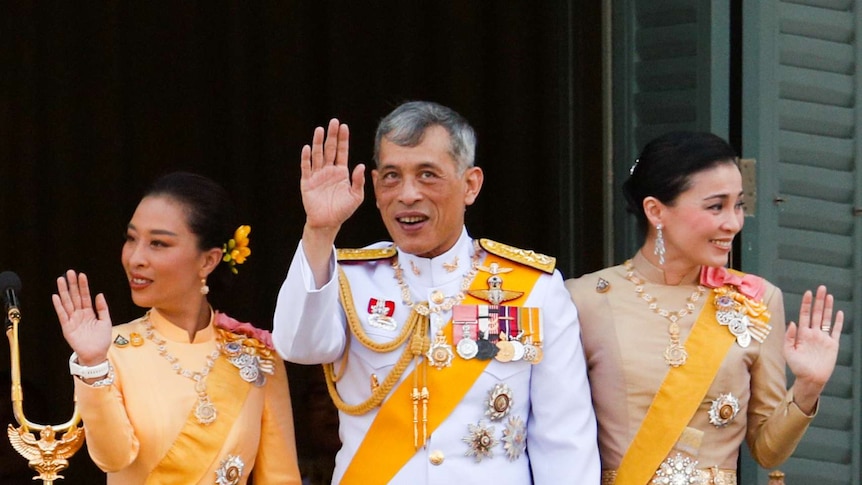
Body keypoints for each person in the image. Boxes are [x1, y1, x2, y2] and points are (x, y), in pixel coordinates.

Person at [272, 101, 600, 484]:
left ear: (471, 185)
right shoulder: (347, 278)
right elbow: (298, 346)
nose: (408, 194)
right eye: (392, 177)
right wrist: (319, 231)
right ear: (375, 188)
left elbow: (564, 441)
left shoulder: (532, 288)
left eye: (428, 175)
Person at [565, 131, 843, 484]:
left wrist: (808, 386)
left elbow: (768, 450)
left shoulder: (755, 301)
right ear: (656, 211)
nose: (734, 223)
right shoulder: (584, 300)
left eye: (738, 204)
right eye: (716, 206)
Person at [52, 172, 301, 484]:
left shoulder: (257, 357)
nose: (135, 258)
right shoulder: (107, 349)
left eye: (158, 243)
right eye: (131, 239)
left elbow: (281, 477)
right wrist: (92, 365)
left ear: (208, 261)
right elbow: (112, 457)